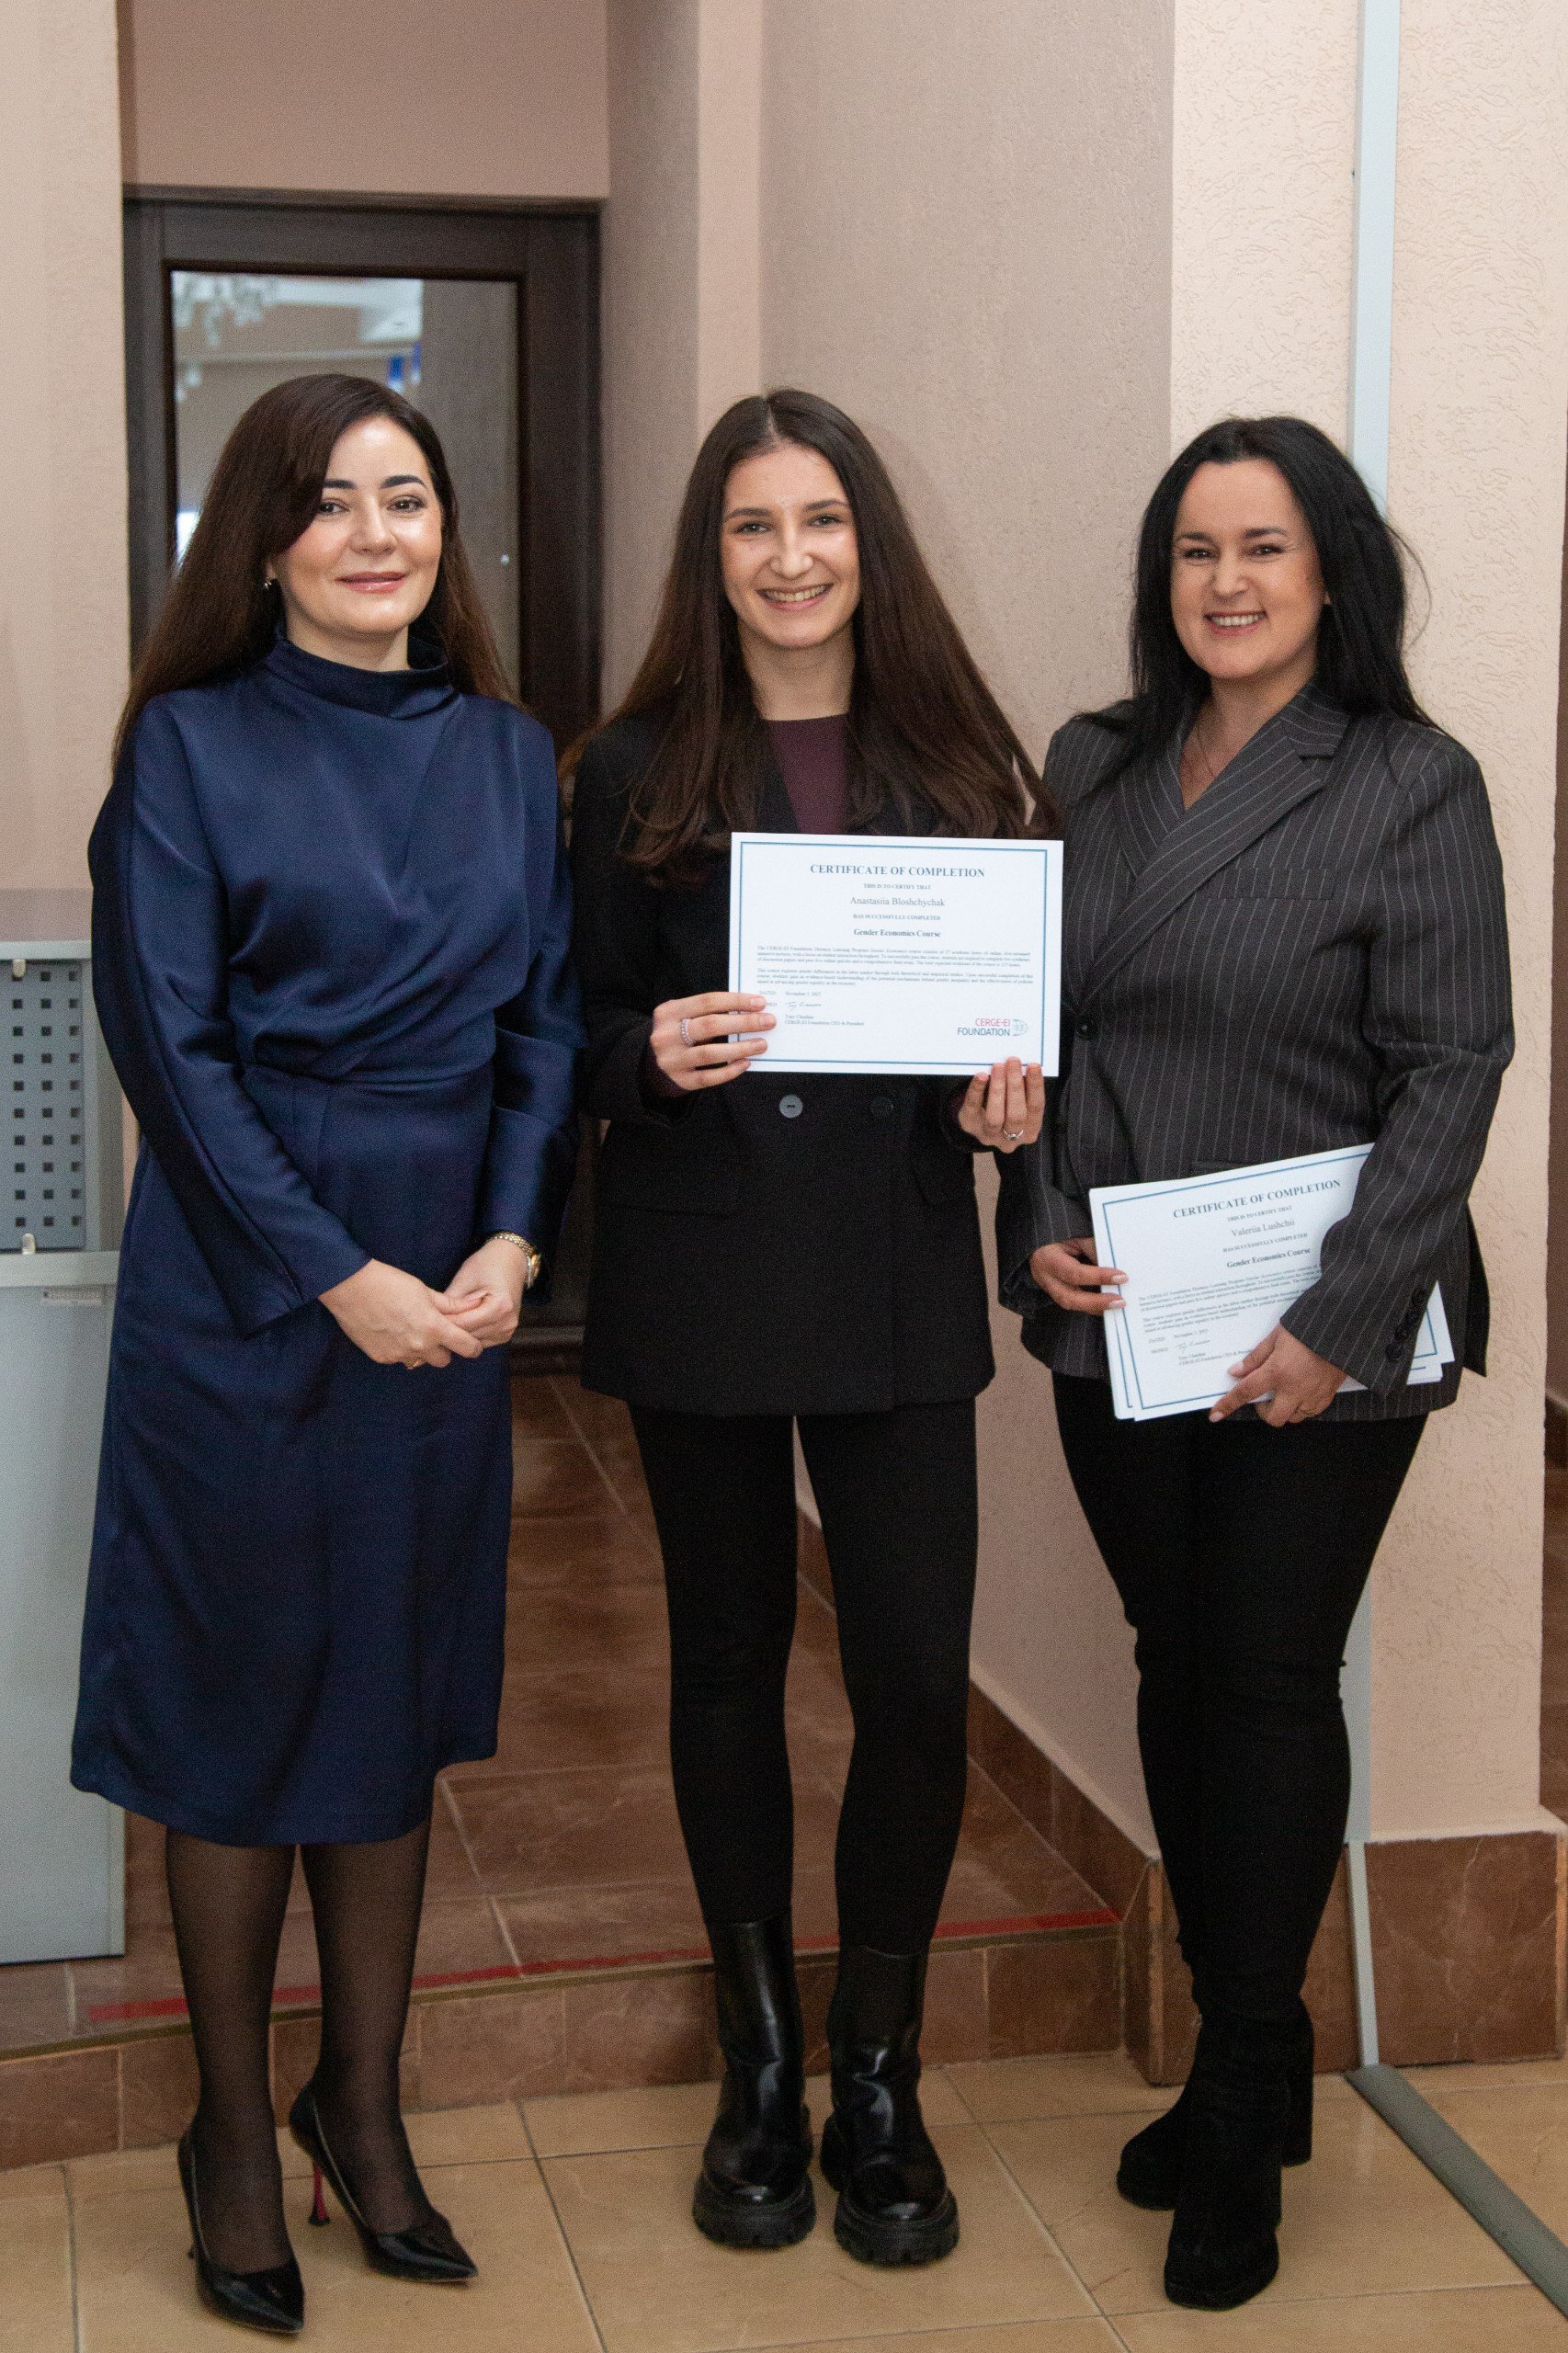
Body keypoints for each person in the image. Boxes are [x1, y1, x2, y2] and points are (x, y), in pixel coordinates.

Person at [72, 374, 581, 2335]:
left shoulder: (511, 754)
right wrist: (335, 1273)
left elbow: (543, 1025)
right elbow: (171, 1049)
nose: (379, 533)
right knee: (233, 1704)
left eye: (410, 497)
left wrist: (511, 1233)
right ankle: (226, 2130)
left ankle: (357, 2106)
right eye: (335, 500)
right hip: (246, 1283)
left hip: (448, 1278)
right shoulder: (188, 748)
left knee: (386, 1692)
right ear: (265, 540)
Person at [997, 415, 1511, 2312]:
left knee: (1268, 1672)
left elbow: (1452, 1066)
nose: (1225, 582)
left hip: (1324, 1323)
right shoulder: (1094, 761)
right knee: (1174, 1655)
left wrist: (1338, 1324)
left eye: (1263, 547)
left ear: (1330, 570)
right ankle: (1258, 2041)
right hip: (1124, 1306)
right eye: (1196, 550)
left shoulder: (1408, 780)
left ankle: (1235, 2081)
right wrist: (1031, 1207)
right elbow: (1031, 1032)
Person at [570, 389, 1046, 2267]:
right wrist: (644, 1052)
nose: (791, 558)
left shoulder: (960, 758)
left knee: (916, 1679)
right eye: (753, 526)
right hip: (702, 1263)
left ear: (870, 542)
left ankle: (881, 2072)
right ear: (712, 556)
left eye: (822, 520)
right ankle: (759, 2064)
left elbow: (1000, 1034)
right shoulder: (632, 767)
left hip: (894, 1269)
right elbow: (573, 1022)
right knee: (725, 1665)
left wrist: (1001, 1102)